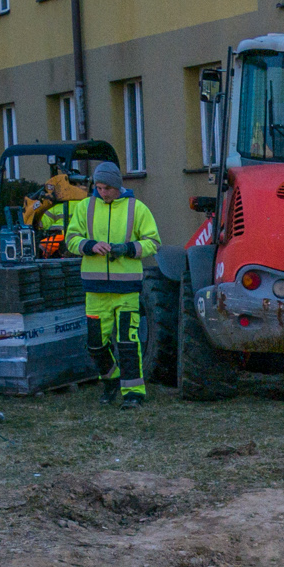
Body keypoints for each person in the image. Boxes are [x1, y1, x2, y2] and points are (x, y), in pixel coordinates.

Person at [65, 161, 161, 406]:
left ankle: (133, 394)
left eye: (106, 187)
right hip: (95, 291)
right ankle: (111, 379)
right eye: (98, 187)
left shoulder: (137, 208)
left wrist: (126, 249)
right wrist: (90, 245)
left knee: (128, 343)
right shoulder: (85, 207)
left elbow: (153, 242)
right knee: (95, 344)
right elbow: (71, 239)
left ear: (117, 185)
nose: (102, 192)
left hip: (127, 290)